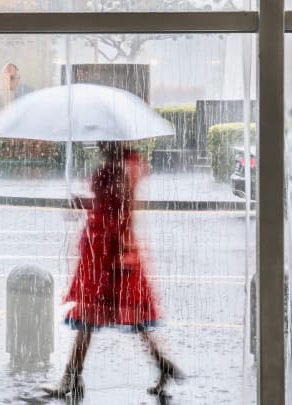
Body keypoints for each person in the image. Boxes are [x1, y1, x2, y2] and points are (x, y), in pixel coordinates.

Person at [43, 142, 184, 401]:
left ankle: (71, 378)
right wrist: (85, 203)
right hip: (105, 252)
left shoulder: (122, 169)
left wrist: (118, 254)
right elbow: (108, 205)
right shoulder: (120, 165)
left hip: (110, 255)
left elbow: (121, 212)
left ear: (113, 141)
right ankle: (163, 364)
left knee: (90, 317)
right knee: (128, 318)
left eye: (102, 139)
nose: (97, 143)